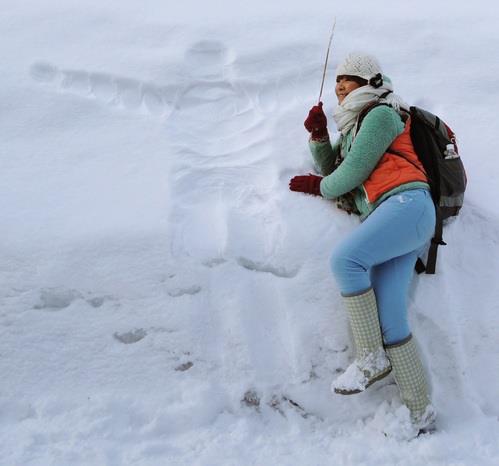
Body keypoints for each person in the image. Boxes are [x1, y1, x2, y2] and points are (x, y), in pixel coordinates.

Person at [289, 52, 436, 434]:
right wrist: (320, 136)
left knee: (346, 261)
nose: (339, 88)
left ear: (370, 81)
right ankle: (420, 412)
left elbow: (351, 173)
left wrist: (320, 188)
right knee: (391, 318)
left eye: (347, 81)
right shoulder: (354, 127)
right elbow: (334, 171)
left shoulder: (382, 114)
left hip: (408, 204)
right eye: (337, 84)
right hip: (393, 217)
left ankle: (370, 357)